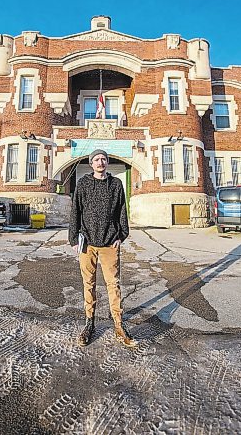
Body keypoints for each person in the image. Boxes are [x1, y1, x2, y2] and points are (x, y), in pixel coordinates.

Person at [69, 149, 138, 348]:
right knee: (88, 283)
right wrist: (74, 238)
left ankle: (118, 325)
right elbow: (76, 211)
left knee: (113, 284)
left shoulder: (116, 184)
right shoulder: (82, 183)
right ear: (91, 164)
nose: (100, 162)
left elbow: (121, 211)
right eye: (97, 159)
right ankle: (89, 323)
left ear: (107, 162)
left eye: (104, 159)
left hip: (109, 242)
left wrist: (122, 235)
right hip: (87, 242)